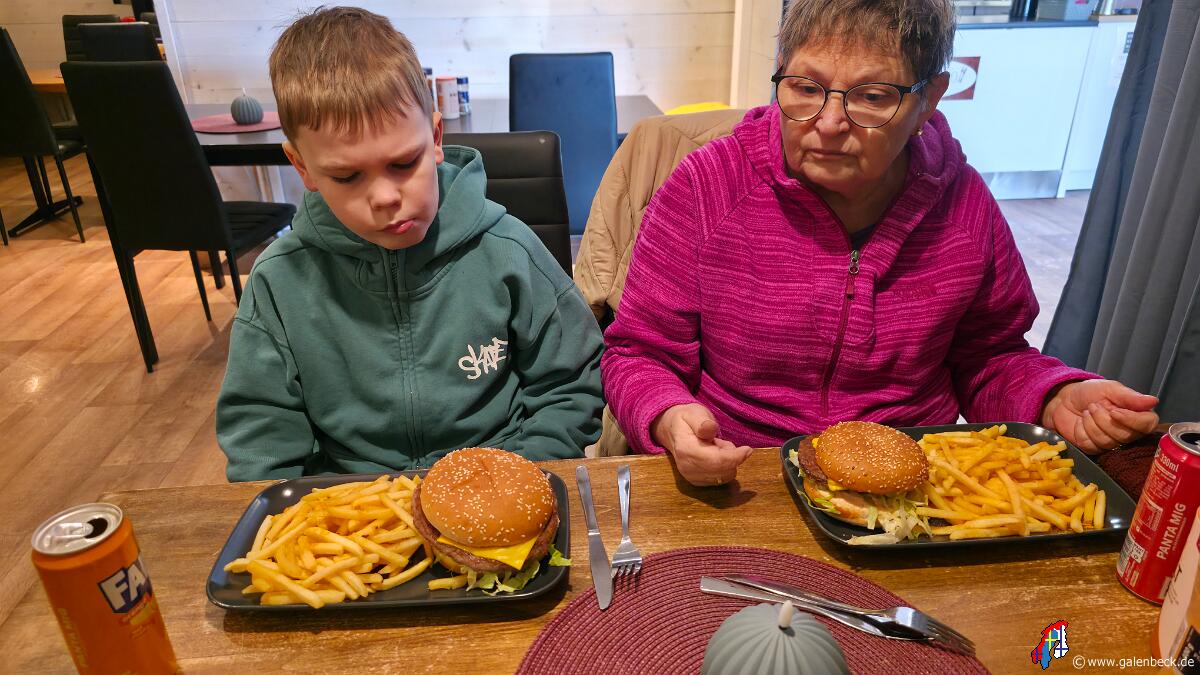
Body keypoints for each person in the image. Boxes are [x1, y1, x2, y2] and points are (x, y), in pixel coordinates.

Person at [601, 0, 1159, 487]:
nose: (828, 123)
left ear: (929, 100)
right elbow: (639, 352)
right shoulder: (706, 187)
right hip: (745, 471)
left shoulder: (964, 206)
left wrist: (1052, 396)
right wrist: (668, 416)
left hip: (910, 479)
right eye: (805, 88)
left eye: (871, 96)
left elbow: (989, 357)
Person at [216, 7, 603, 480]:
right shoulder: (278, 281)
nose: (384, 198)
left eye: (403, 164)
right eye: (347, 176)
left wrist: (517, 473)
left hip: (501, 477)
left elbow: (571, 384)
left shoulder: (510, 251)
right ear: (302, 168)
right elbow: (261, 435)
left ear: (435, 138)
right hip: (354, 501)